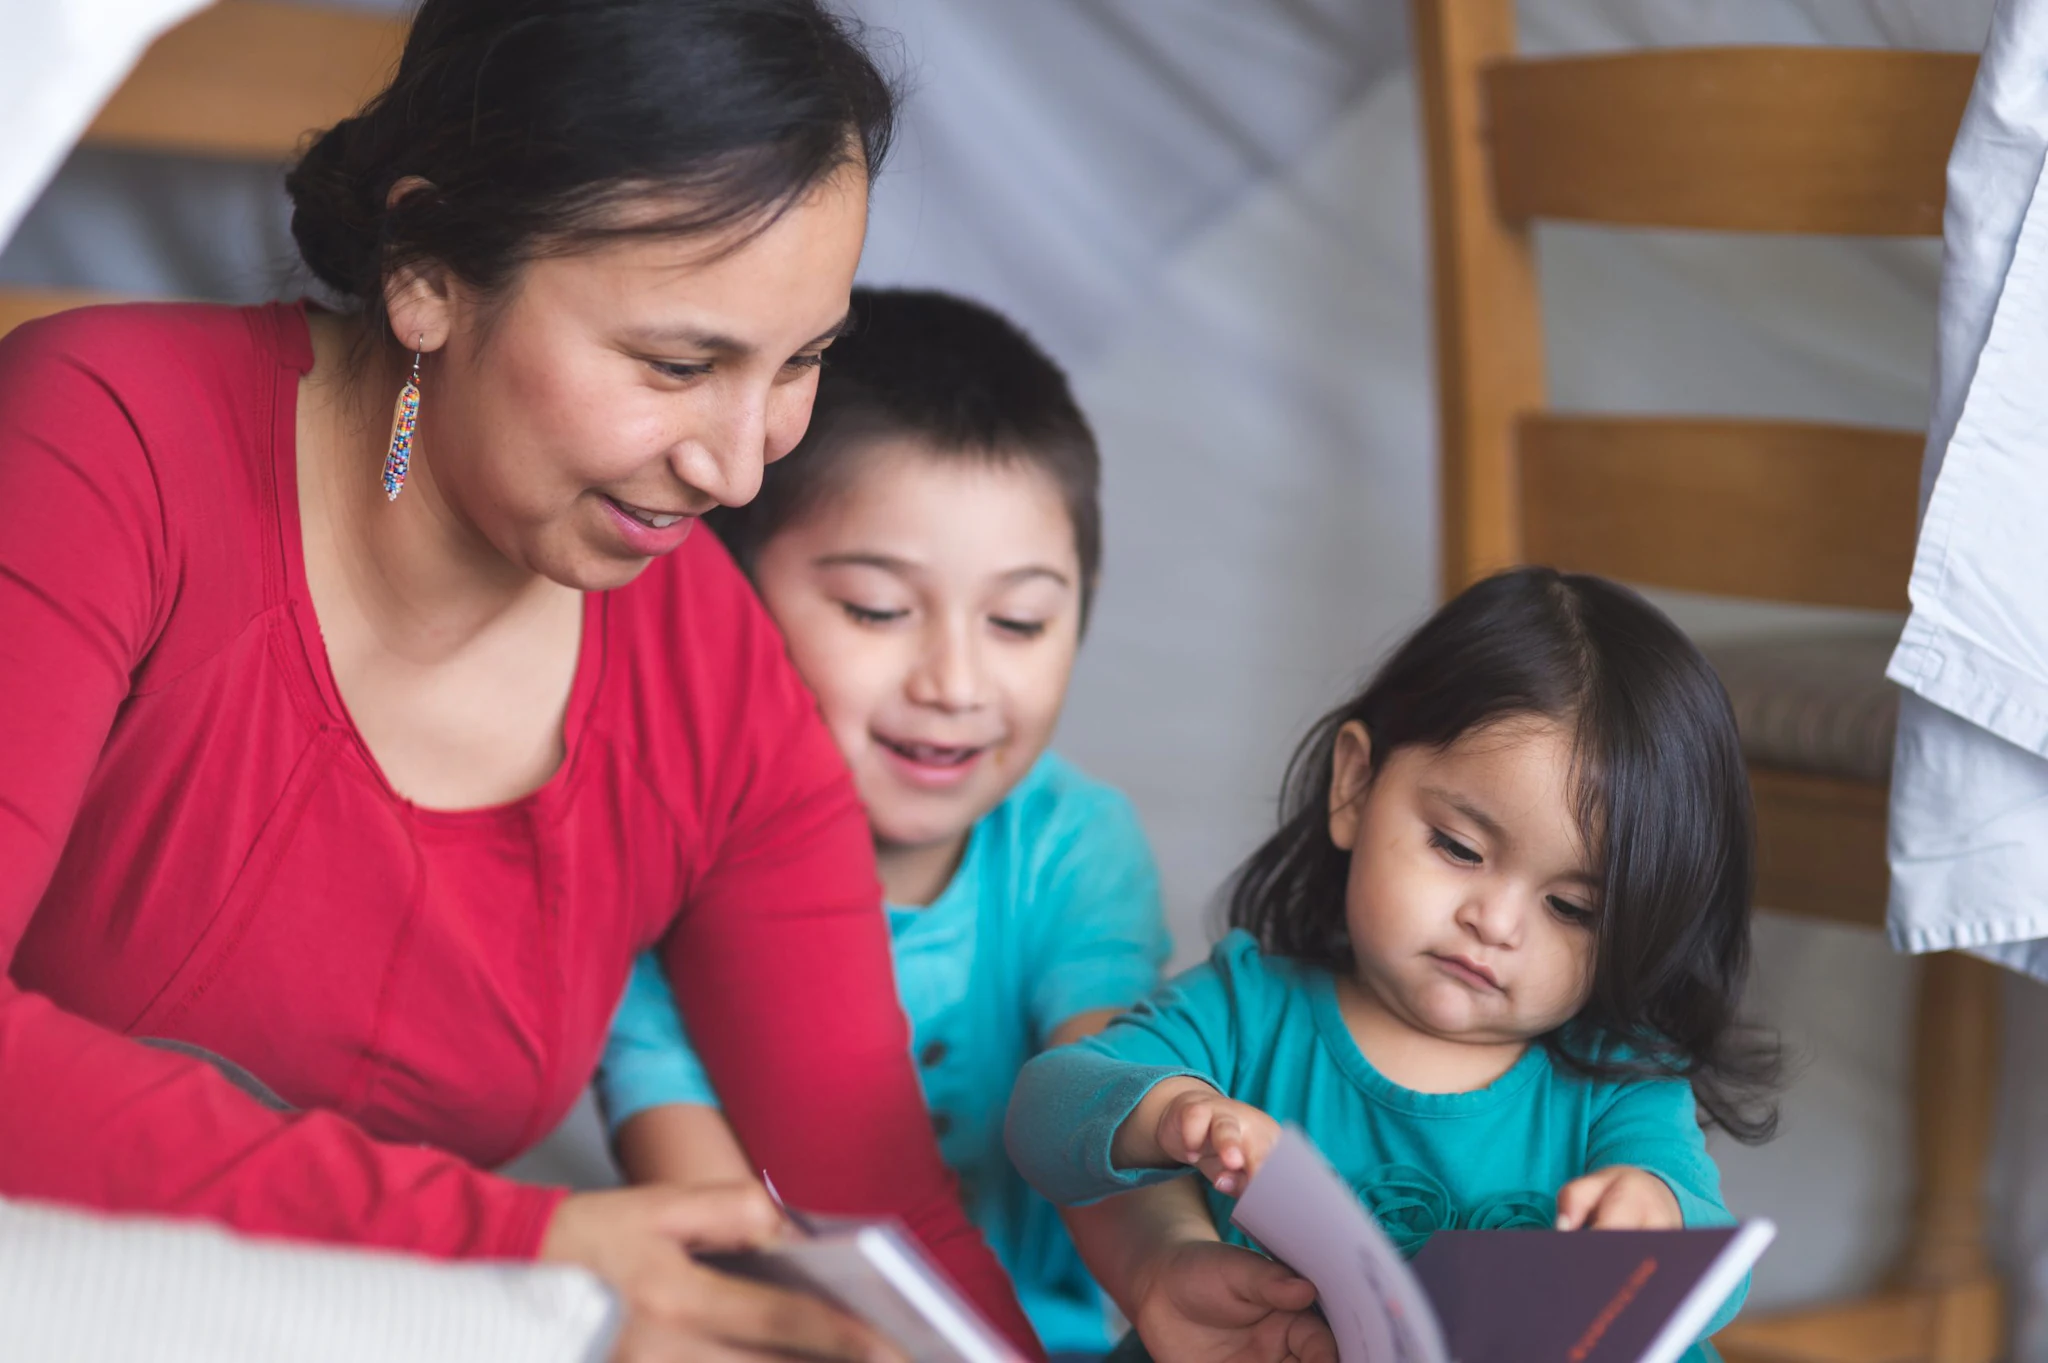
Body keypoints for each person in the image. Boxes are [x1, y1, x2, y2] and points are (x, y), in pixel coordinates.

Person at [0, 2, 1041, 1359]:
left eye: (802, 362)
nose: (739, 467)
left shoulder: (711, 678)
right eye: (677, 363)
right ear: (428, 268)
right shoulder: (104, 441)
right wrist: (517, 1244)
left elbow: (880, 1207)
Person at [596, 287, 1172, 1358]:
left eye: (1018, 621)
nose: (953, 681)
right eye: (875, 608)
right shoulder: (656, 855)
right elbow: (702, 1198)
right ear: (725, 591)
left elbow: (1105, 1110)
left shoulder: (1072, 848)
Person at [1006, 568, 1780, 1363]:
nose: (1496, 922)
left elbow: (1721, 1280)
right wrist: (1168, 1109)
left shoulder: (1618, 1083)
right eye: (1458, 847)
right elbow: (1041, 1108)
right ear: (1354, 785)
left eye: (1572, 908)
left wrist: (1653, 1215)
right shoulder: (1249, 1010)